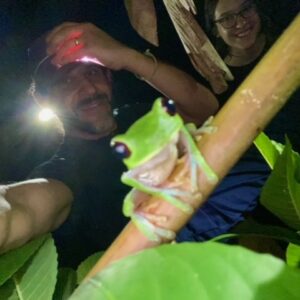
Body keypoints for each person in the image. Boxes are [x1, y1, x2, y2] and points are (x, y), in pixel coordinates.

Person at [0, 22, 219, 267]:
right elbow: (22, 207)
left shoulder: (143, 116)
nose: (89, 89)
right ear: (44, 101)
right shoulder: (65, 171)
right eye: (66, 82)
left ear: (109, 76)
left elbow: (205, 108)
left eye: (92, 73)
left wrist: (128, 56)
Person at [175, 0, 299, 243]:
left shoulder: (286, 47)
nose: (240, 22)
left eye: (245, 10)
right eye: (227, 18)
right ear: (216, 28)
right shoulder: (215, 77)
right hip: (262, 163)